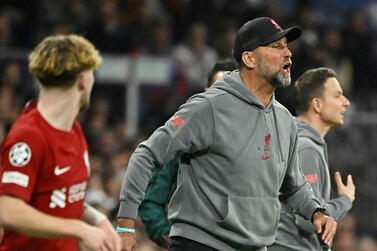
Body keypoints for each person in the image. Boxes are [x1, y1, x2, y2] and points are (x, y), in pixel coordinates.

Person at [117, 17, 337, 251]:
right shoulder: (209, 107)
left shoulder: (284, 119)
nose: (288, 54)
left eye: (286, 45)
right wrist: (126, 224)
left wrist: (316, 211)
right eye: (276, 46)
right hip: (201, 244)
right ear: (249, 58)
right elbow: (146, 155)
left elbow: (294, 184)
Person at [0, 34, 121, 251]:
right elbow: (8, 209)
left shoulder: (73, 130)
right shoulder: (28, 135)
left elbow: (59, 199)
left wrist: (97, 220)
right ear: (83, 79)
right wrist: (80, 229)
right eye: (92, 73)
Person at [139, 58, 238, 248]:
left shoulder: (259, 136)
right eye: (217, 89)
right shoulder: (184, 137)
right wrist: (166, 234)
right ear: (206, 90)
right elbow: (151, 200)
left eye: (230, 91)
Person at [269, 67, 355, 251]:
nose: (346, 102)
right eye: (337, 95)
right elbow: (307, 221)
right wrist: (344, 201)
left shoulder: (297, 140)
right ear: (317, 105)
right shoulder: (306, 148)